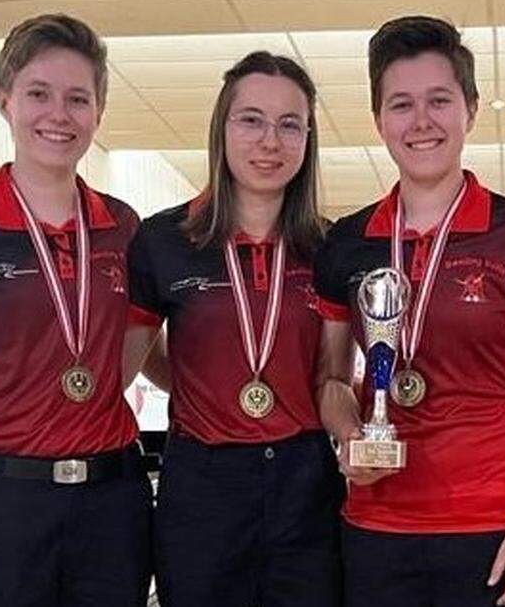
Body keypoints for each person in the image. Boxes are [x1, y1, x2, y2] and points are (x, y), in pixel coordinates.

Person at [314, 15, 505, 607]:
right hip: (377, 528)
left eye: (439, 100)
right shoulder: (348, 242)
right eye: (401, 104)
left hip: (492, 525)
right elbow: (329, 377)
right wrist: (350, 435)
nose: (422, 121)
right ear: (379, 118)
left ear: (471, 108)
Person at [0, 14, 151, 606]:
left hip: (112, 499)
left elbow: (141, 345)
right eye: (39, 94)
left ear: (98, 113)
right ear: (4, 100)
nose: (58, 115)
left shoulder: (122, 226)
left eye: (78, 99)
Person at [124, 51, 343, 607]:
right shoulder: (165, 240)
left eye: (289, 124)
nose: (270, 141)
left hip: (305, 480)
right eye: (251, 119)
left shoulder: (330, 246)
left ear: (307, 138)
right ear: (221, 129)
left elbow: (331, 371)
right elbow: (135, 353)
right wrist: (203, 390)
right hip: (202, 484)